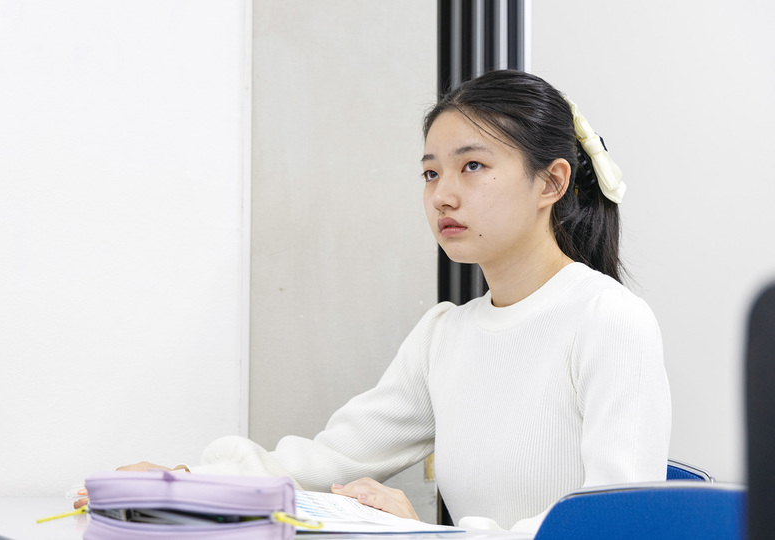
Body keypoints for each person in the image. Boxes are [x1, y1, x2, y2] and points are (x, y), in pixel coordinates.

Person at [105, 70, 671, 533]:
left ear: (551, 183)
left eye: (472, 166)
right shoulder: (445, 335)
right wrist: (185, 483)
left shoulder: (607, 319)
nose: (443, 194)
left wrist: (426, 535)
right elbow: (327, 462)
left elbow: (614, 528)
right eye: (430, 173)